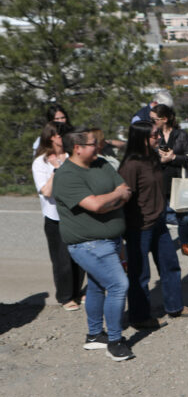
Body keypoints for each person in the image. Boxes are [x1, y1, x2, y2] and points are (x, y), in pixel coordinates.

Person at [52, 128, 135, 361]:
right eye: (92, 144)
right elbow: (95, 205)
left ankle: (95, 335)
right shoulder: (66, 175)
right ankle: (115, 342)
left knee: (98, 286)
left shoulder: (102, 164)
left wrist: (110, 200)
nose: (98, 146)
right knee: (119, 285)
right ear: (77, 148)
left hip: (112, 240)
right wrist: (113, 199)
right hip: (89, 245)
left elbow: (125, 190)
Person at [119, 121, 188, 330]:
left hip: (158, 222)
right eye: (155, 135)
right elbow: (124, 197)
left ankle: (175, 307)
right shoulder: (131, 164)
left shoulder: (153, 158)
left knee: (170, 265)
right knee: (140, 274)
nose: (159, 138)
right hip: (139, 227)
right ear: (142, 138)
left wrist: (168, 158)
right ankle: (139, 317)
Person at [31, 121, 84, 311]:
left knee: (80, 257)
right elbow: (46, 191)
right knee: (62, 259)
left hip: (76, 214)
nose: (66, 138)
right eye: (62, 135)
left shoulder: (72, 156)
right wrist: (57, 170)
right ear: (52, 136)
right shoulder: (41, 162)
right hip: (55, 217)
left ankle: (77, 291)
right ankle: (65, 296)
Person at [151, 104, 188, 257]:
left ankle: (184, 245)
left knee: (184, 216)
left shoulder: (181, 135)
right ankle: (159, 245)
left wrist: (173, 158)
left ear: (164, 119)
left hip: (179, 179)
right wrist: (159, 159)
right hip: (158, 180)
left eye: (154, 119)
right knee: (158, 214)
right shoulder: (153, 135)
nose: (152, 122)